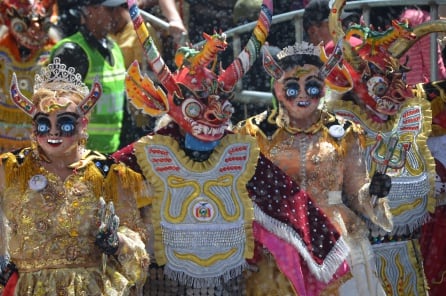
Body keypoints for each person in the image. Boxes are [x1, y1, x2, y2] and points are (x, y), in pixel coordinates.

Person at [112, 0, 352, 295]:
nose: (211, 113)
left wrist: (323, 242)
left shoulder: (240, 150)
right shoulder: (149, 151)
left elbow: (287, 200)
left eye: (218, 102)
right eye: (196, 104)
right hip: (165, 280)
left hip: (228, 278)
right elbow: (101, 177)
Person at [234, 41, 393, 295]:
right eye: (292, 88)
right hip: (282, 249)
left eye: (311, 86)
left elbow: (356, 192)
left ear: (324, 87)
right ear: (277, 88)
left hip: (338, 244)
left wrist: (374, 191)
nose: (303, 95)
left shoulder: (343, 131)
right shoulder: (254, 133)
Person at [0, 58, 150, 295]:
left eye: (65, 124)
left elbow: (138, 247)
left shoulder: (107, 172)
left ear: (83, 124)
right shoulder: (10, 168)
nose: (53, 132)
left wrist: (116, 242)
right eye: (43, 124)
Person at [325, 0, 445, 294]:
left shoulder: (414, 115)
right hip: (359, 256)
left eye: (397, 80)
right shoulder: (334, 126)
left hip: (408, 253)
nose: (394, 93)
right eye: (381, 85)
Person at [50, 0, 127, 153]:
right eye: (110, 10)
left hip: (110, 154)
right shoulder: (71, 52)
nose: (118, 14)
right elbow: (54, 111)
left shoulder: (115, 48)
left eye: (120, 8)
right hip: (78, 159)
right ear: (89, 10)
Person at [0, 0, 58, 153]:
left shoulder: (52, 51)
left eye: (41, 23)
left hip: (39, 134)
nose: (35, 29)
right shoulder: (2, 50)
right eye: (26, 23)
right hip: (3, 136)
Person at [399, 6, 446, 85]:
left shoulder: (374, 20)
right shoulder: (419, 19)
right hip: (415, 93)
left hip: (379, 91)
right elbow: (435, 71)